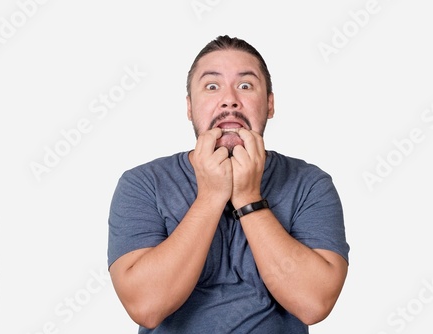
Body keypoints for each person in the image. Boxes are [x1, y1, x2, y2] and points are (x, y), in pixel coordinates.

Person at [107, 35, 349, 334]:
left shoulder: (310, 183)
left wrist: (249, 198)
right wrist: (210, 197)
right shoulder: (143, 183)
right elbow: (146, 307)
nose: (230, 99)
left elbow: (313, 303)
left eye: (246, 86)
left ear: (270, 104)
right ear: (189, 107)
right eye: (212, 86)